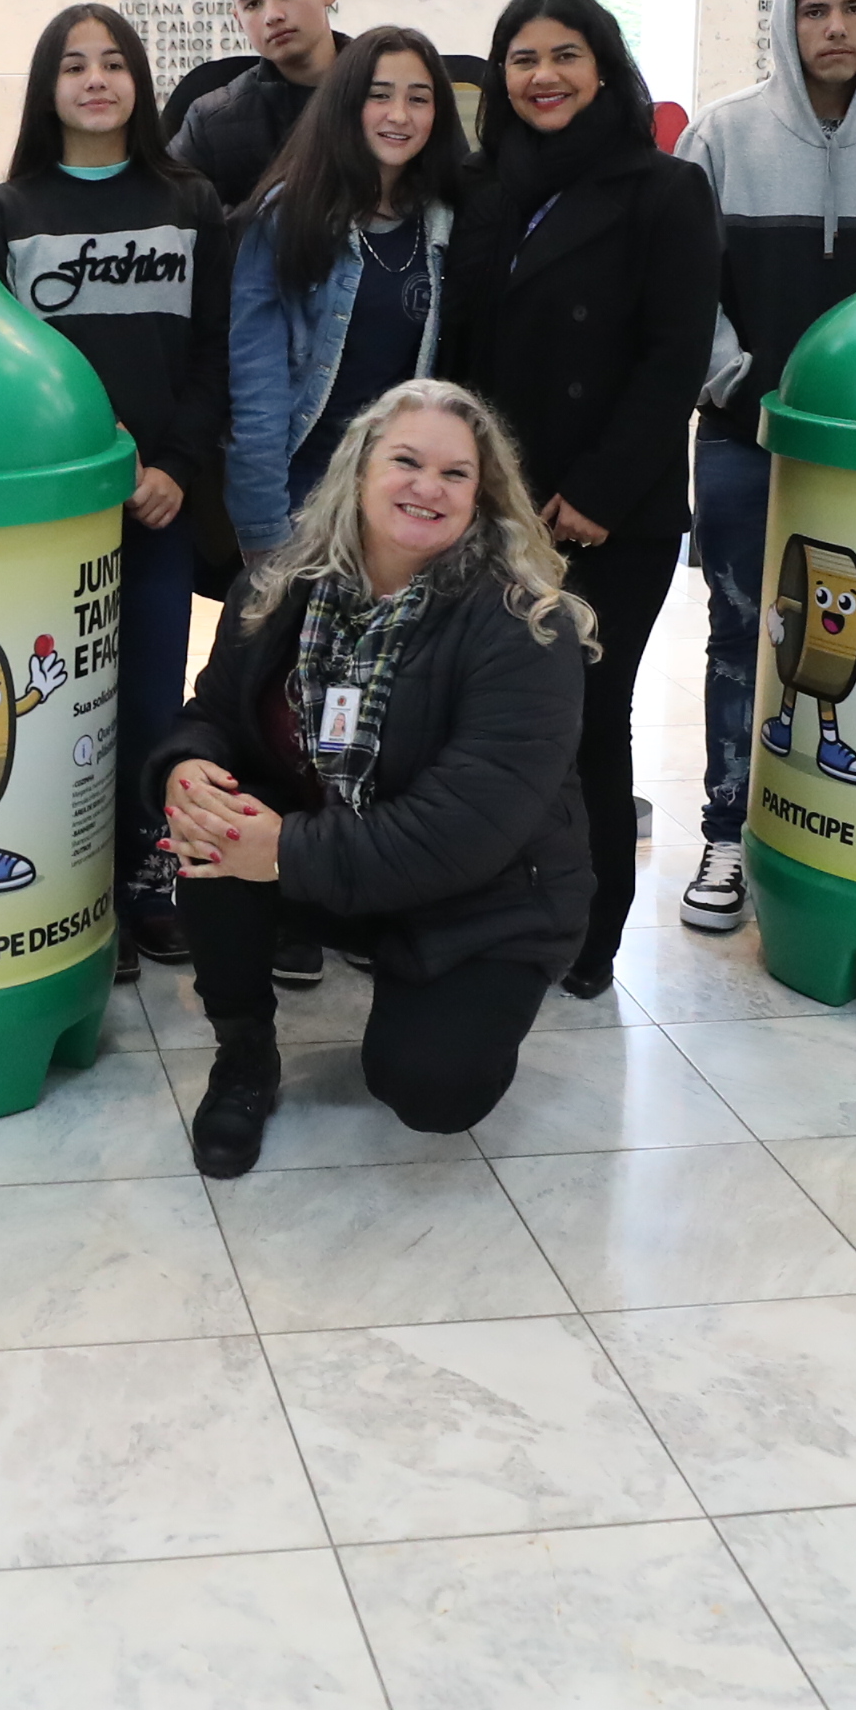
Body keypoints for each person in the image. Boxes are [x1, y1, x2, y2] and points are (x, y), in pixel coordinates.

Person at [155, 381, 592, 1175]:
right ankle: (244, 1053)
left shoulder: (526, 626)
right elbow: (214, 712)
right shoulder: (279, 586)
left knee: (431, 1090)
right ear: (358, 472)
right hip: (338, 855)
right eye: (406, 462)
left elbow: (459, 833)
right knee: (212, 821)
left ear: (482, 495)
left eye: (456, 474)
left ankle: (440, 990)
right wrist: (187, 767)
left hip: (480, 897)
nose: (429, 487)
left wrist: (282, 850)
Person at [440, 0, 717, 998]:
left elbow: (673, 357)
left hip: (609, 517)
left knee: (588, 719)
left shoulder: (664, 189)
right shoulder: (482, 188)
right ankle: (491, 901)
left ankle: (592, 932)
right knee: (489, 717)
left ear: (603, 68)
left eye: (565, 54)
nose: (543, 75)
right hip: (492, 507)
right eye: (522, 58)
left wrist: (597, 491)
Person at [677, 0, 856, 932]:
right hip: (742, 441)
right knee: (743, 632)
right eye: (814, 10)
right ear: (785, 23)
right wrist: (734, 379)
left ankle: (842, 832)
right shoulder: (722, 135)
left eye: (853, 8)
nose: (835, 28)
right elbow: (684, 287)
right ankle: (726, 830)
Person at [0, 2, 232, 974]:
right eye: (73, 65)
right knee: (53, 701)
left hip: (158, 507)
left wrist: (175, 467)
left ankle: (145, 878)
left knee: (149, 699)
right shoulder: (8, 211)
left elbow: (214, 352)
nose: (95, 80)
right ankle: (72, 889)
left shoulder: (190, 202)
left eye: (113, 63)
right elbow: (1, 371)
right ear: (46, 87)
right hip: (51, 515)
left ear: (139, 79)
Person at [226, 26, 457, 545]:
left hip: (405, 499)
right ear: (346, 104)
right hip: (304, 498)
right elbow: (257, 391)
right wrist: (264, 530)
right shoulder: (287, 216)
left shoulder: (445, 221)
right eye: (380, 96)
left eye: (418, 99)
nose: (399, 115)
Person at [175, 0, 351, 204]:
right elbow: (168, 212)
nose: (272, 15)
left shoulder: (397, 97)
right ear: (238, 19)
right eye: (253, 4)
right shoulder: (211, 123)